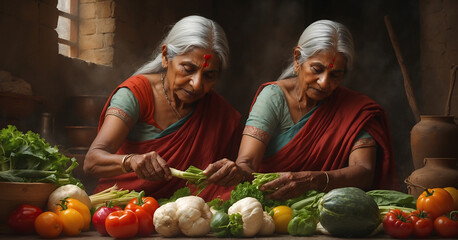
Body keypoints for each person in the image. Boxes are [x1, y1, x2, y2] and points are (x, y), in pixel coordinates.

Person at [204, 19, 398, 200]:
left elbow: (364, 171)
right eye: (317, 69)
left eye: (335, 75)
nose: (324, 83)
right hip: (270, 203)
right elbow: (247, 162)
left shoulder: (355, 111)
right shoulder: (274, 97)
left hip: (325, 209)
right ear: (298, 59)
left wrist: (313, 180)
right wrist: (236, 171)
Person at [83, 15, 242, 201]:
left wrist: (232, 171)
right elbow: (92, 162)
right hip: (127, 209)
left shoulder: (218, 111)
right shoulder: (136, 94)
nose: (197, 85)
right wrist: (131, 161)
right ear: (166, 57)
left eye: (209, 76)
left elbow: (245, 170)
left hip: (185, 213)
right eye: (188, 69)